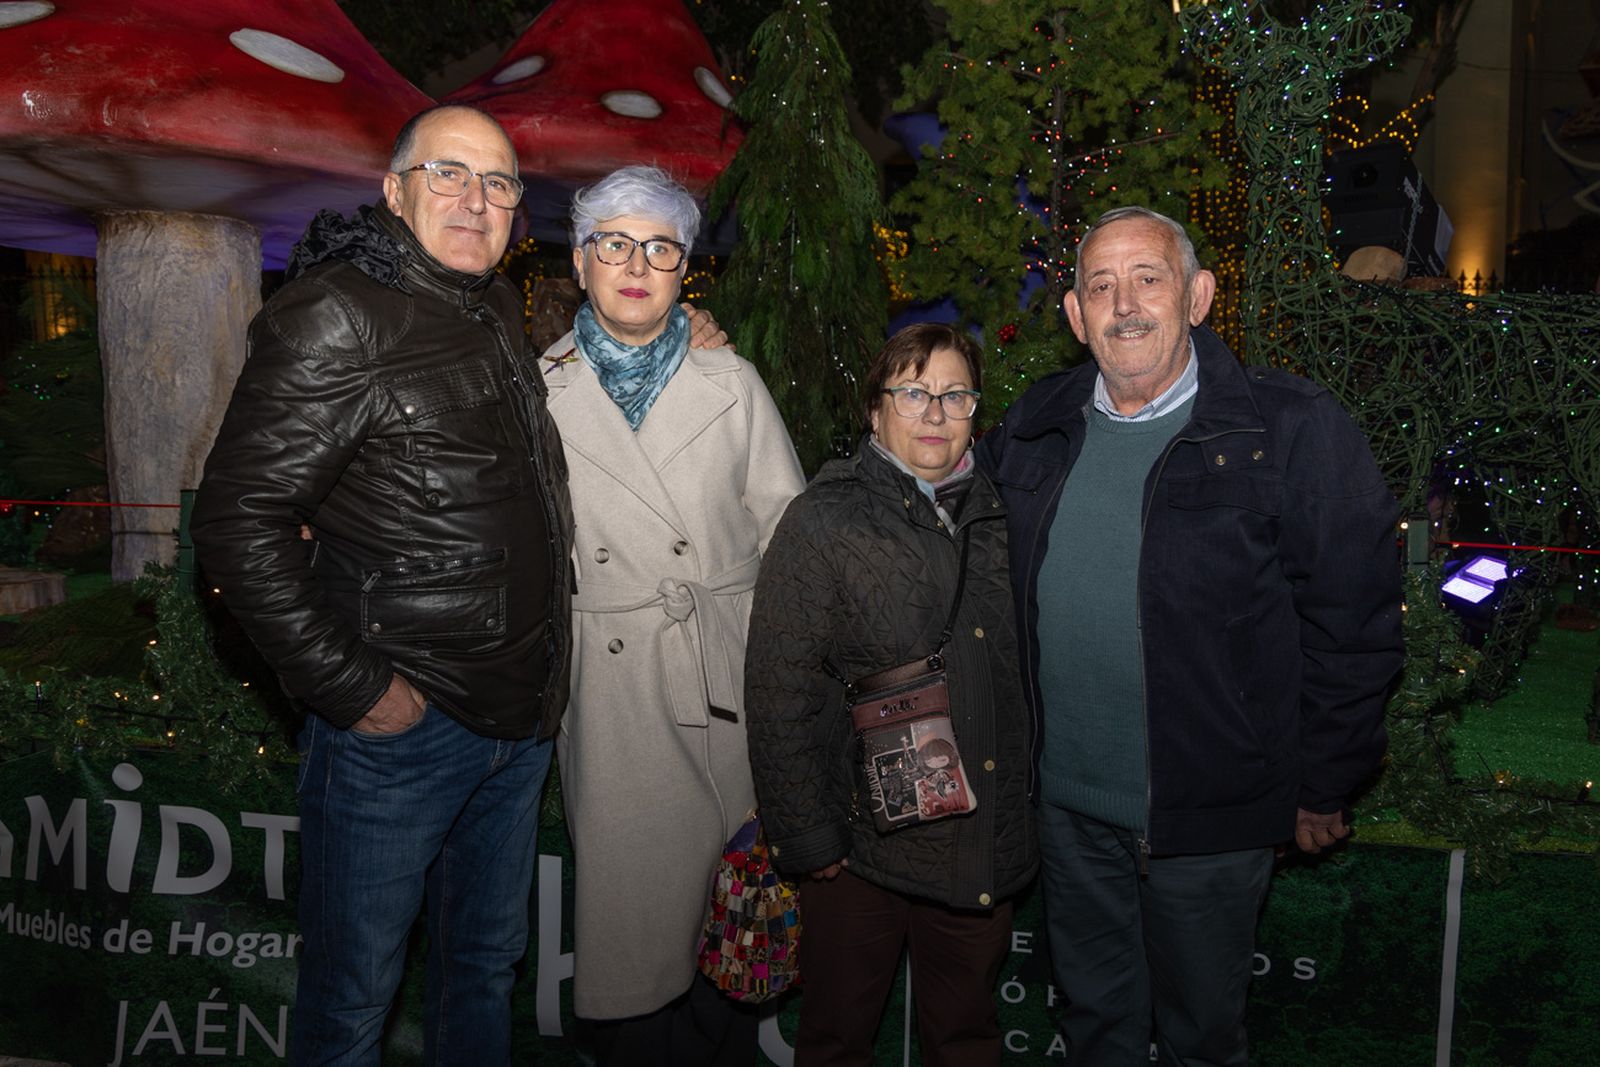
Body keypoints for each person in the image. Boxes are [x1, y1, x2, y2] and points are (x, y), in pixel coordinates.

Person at [191, 106, 723, 1065]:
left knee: (481, 969)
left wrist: (685, 328)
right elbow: (235, 527)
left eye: (501, 183)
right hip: (401, 735)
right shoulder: (335, 312)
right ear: (394, 190)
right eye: (449, 175)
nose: (476, 201)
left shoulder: (494, 308)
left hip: (512, 729)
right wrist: (361, 692)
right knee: (352, 1003)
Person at [977, 205, 1404, 1066]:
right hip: (1067, 813)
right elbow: (944, 510)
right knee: (1094, 1031)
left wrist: (1323, 782)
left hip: (1212, 820)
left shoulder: (1287, 428)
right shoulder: (1035, 424)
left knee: (1202, 1040)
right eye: (1100, 286)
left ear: (1200, 296)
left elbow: (1354, 623)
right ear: (1073, 315)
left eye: (1148, 278)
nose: (1124, 304)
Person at [540, 164, 805, 1065]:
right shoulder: (536, 392)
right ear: (580, 262)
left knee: (727, 930)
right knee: (634, 952)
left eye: (660, 246)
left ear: (685, 268)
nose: (636, 262)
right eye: (614, 242)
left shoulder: (732, 382)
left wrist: (783, 687)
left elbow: (789, 539)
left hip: (725, 682)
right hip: (612, 691)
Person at [745, 323, 1038, 1067]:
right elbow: (779, 685)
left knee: (965, 1040)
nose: (935, 412)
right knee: (837, 1038)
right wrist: (806, 837)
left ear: (977, 410)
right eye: (913, 392)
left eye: (955, 394)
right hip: (859, 852)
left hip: (976, 839)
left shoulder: (1010, 517)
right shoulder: (824, 517)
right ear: (876, 410)